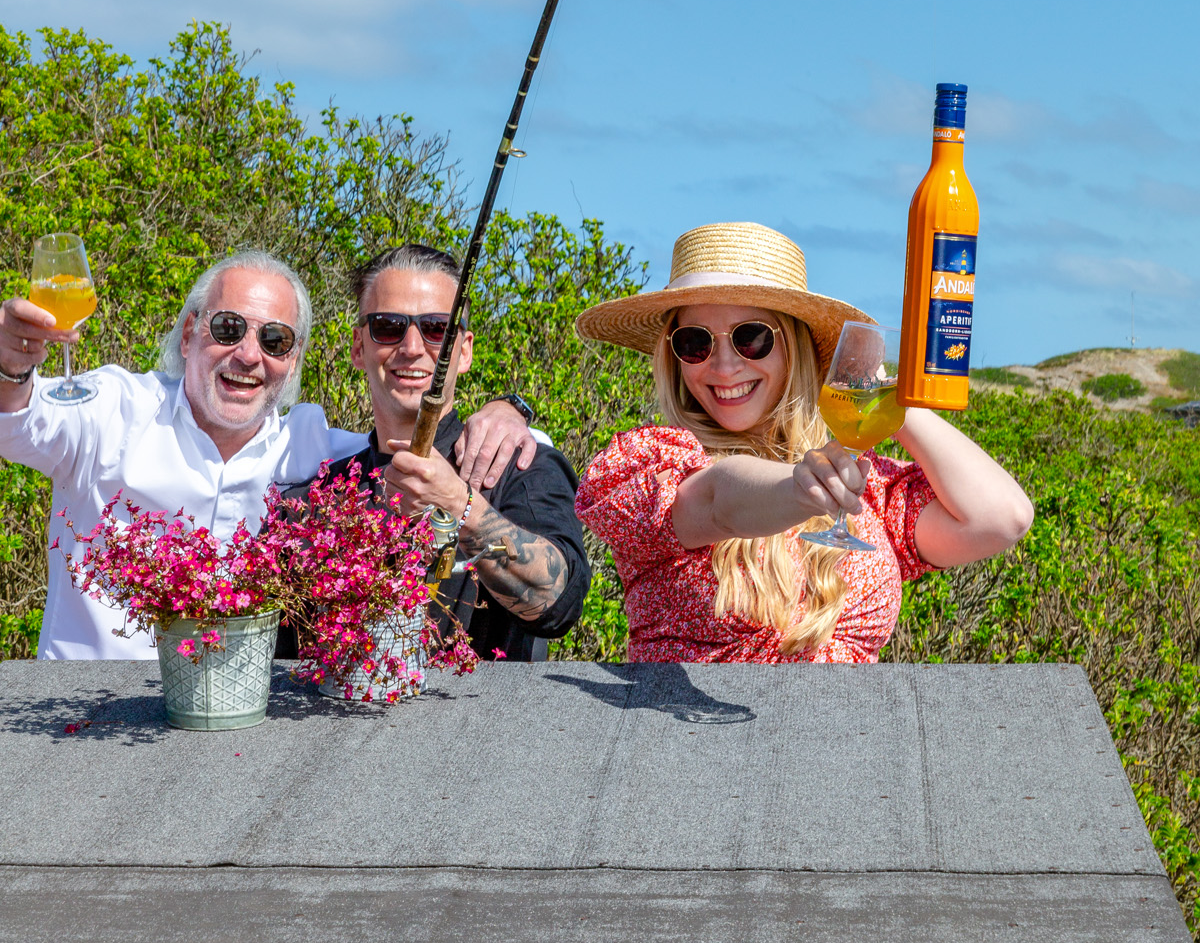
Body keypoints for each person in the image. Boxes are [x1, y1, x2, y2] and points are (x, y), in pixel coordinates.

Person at [0, 249, 537, 660]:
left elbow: (407, 453)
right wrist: (10, 366)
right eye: (228, 328)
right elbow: (19, 419)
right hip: (88, 718)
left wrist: (510, 413)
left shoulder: (310, 449)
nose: (249, 355)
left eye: (275, 340)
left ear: (294, 359)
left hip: (235, 732)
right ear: (189, 333)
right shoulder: (112, 411)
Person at [575, 222, 1033, 665]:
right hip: (693, 740)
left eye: (750, 337)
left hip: (846, 742)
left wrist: (893, 398)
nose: (724, 366)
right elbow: (718, 499)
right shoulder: (654, 467)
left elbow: (1001, 518)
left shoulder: (860, 485)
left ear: (795, 345)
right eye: (695, 342)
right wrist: (799, 489)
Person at [290, 243, 589, 661]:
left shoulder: (522, 465)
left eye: (436, 329)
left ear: (463, 351)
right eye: (388, 326)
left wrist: (459, 506)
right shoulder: (313, 498)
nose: (412, 347)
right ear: (359, 347)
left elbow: (559, 604)